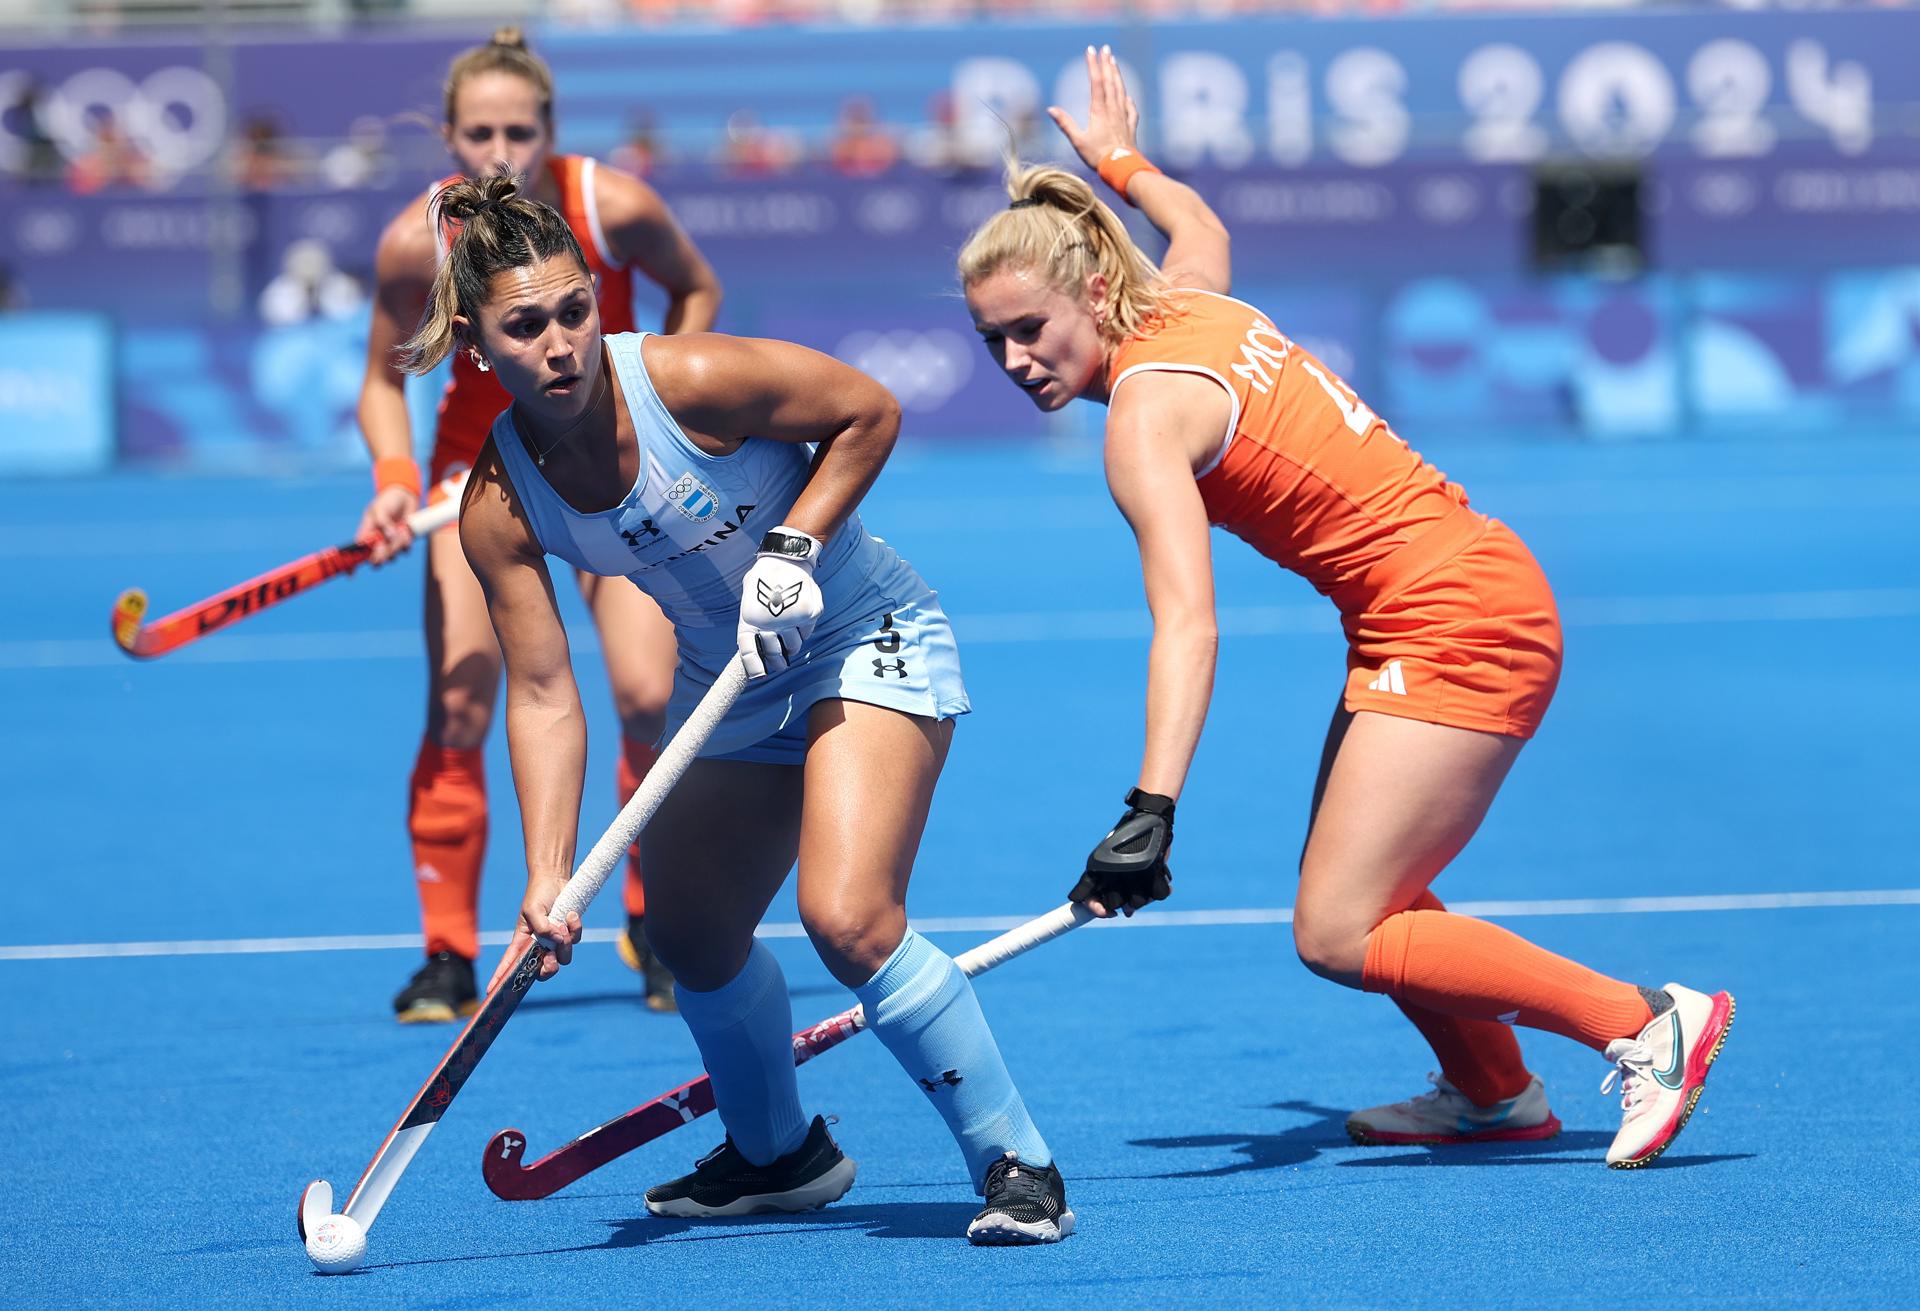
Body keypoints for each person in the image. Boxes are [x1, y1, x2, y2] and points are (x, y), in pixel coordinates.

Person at [957, 46, 1734, 1169]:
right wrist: (1124, 161)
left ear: (1088, 292)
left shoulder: (1141, 419)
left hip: (1458, 618)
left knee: (1337, 928)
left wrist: (1150, 806)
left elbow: (1187, 622)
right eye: (993, 343)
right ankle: (1495, 1092)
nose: (1017, 360)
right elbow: (1197, 219)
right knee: (1381, 884)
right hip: (1436, 602)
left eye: (1031, 329)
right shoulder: (1192, 300)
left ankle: (1644, 1024)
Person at [400, 174, 1073, 1244]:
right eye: (526, 326)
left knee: (847, 916)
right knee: (690, 931)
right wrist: (546, 875)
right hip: (734, 682)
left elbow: (868, 411)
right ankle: (777, 1153)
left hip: (862, 632)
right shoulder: (497, 505)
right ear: (479, 348)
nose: (562, 343)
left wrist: (795, 550)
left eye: (576, 309)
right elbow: (541, 691)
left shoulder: (689, 380)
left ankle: (1018, 1166)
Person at [356, 27, 723, 1021]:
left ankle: (650, 915)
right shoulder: (414, 240)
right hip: (479, 495)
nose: (500, 152)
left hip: (612, 471)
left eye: (520, 129)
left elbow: (697, 287)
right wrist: (395, 478)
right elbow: (382, 379)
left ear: (551, 129)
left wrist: (655, 390)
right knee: (464, 706)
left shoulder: (614, 206)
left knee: (650, 695)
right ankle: (447, 954)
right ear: (449, 136)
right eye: (479, 132)